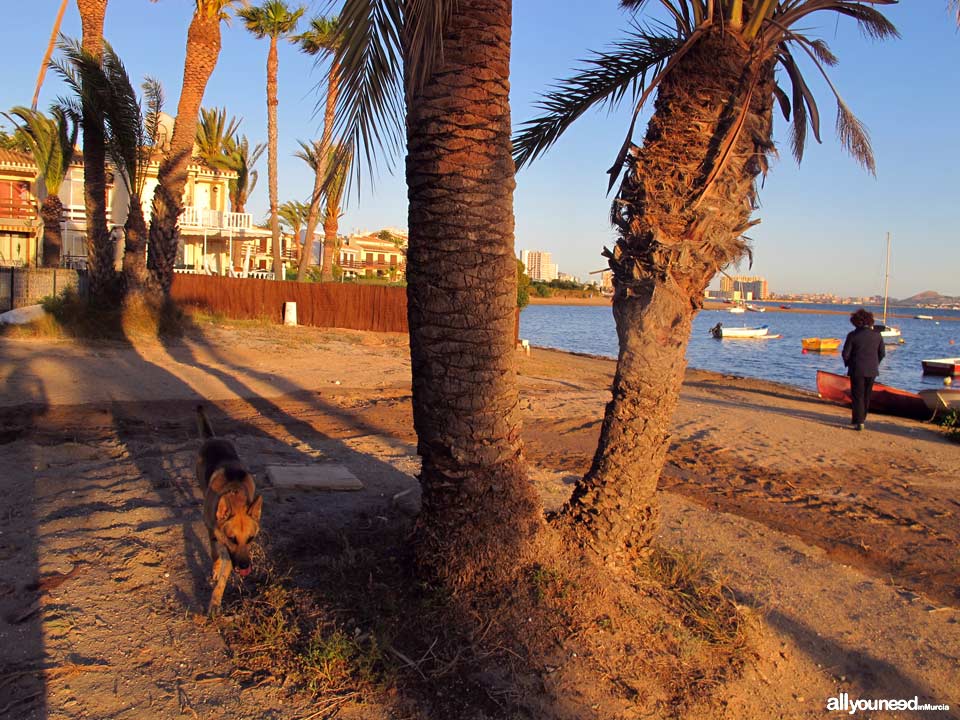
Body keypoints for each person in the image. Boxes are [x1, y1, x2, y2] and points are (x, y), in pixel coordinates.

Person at [841, 308, 885, 431]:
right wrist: (876, 363)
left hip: (857, 369)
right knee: (866, 395)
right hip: (872, 369)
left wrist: (849, 364)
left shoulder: (853, 335)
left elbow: (845, 354)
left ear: (855, 322)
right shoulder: (877, 335)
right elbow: (882, 353)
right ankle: (861, 418)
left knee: (857, 395)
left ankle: (859, 420)